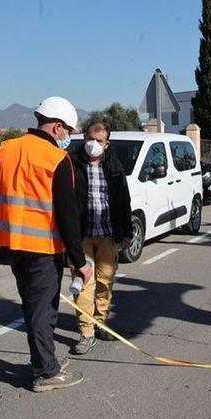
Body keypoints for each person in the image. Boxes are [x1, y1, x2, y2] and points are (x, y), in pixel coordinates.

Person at [0, 96, 91, 393]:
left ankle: (45, 359)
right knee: (43, 310)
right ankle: (46, 372)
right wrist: (80, 261)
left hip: (12, 245)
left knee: (32, 306)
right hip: (43, 250)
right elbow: (67, 215)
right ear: (57, 128)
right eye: (68, 131)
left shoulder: (6, 150)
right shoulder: (56, 159)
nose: (68, 138)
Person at [70, 121, 132, 355]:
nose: (92, 144)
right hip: (82, 235)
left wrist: (125, 232)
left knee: (105, 281)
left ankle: (100, 322)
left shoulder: (114, 165)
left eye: (98, 141)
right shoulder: (73, 163)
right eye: (89, 139)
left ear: (107, 144)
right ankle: (86, 332)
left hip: (107, 234)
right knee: (84, 284)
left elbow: (123, 200)